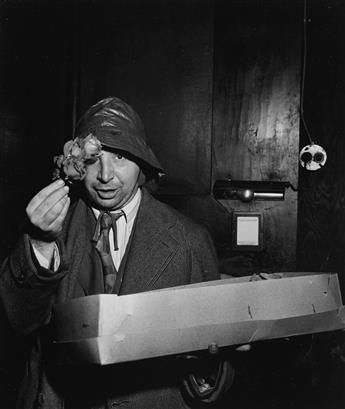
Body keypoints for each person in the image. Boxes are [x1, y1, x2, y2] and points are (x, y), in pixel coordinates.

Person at [0, 97, 234, 409]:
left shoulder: (190, 240)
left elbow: (218, 360)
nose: (106, 175)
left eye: (121, 157)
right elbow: (17, 321)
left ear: (143, 164)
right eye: (94, 159)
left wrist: (207, 371)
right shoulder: (49, 224)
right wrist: (42, 242)